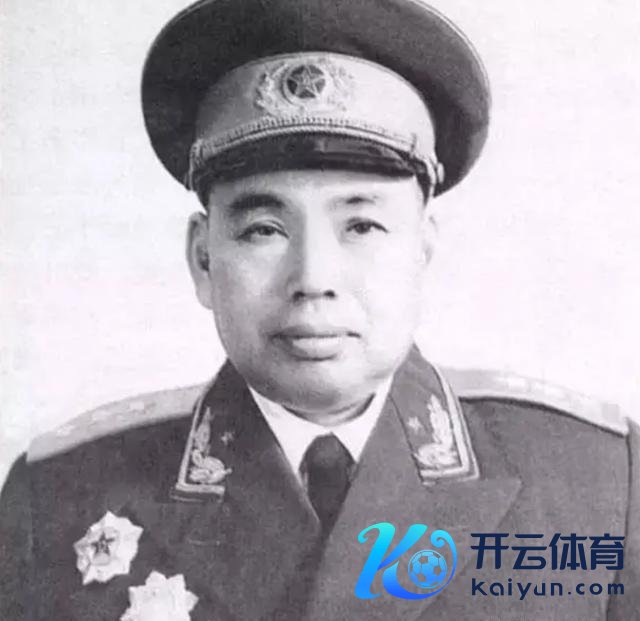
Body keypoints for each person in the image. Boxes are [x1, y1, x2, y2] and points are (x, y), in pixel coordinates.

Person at [1, 0, 638, 619]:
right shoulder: (59, 497)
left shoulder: (596, 484)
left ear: (422, 249)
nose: (313, 280)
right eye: (263, 230)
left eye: (361, 226)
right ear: (203, 259)